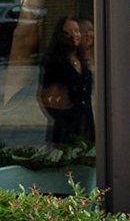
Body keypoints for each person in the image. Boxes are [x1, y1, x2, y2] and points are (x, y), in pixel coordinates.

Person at [38, 14, 95, 145]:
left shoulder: (82, 61)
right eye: (68, 32)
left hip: (86, 126)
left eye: (76, 31)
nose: (74, 35)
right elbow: (44, 96)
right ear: (60, 36)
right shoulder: (55, 64)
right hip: (66, 130)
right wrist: (60, 116)